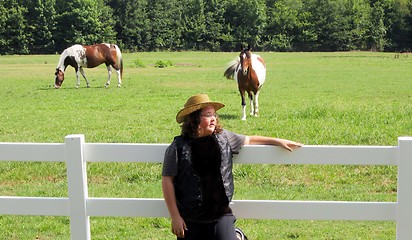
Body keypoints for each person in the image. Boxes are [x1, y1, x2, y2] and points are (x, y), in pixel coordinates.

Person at [162, 94, 302, 240]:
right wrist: (175, 217)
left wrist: (277, 141)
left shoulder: (224, 138)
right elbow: (167, 180)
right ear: (194, 118)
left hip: (220, 214)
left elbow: (249, 139)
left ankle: (237, 235)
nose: (213, 119)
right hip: (190, 217)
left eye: (214, 115)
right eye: (208, 115)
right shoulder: (178, 147)